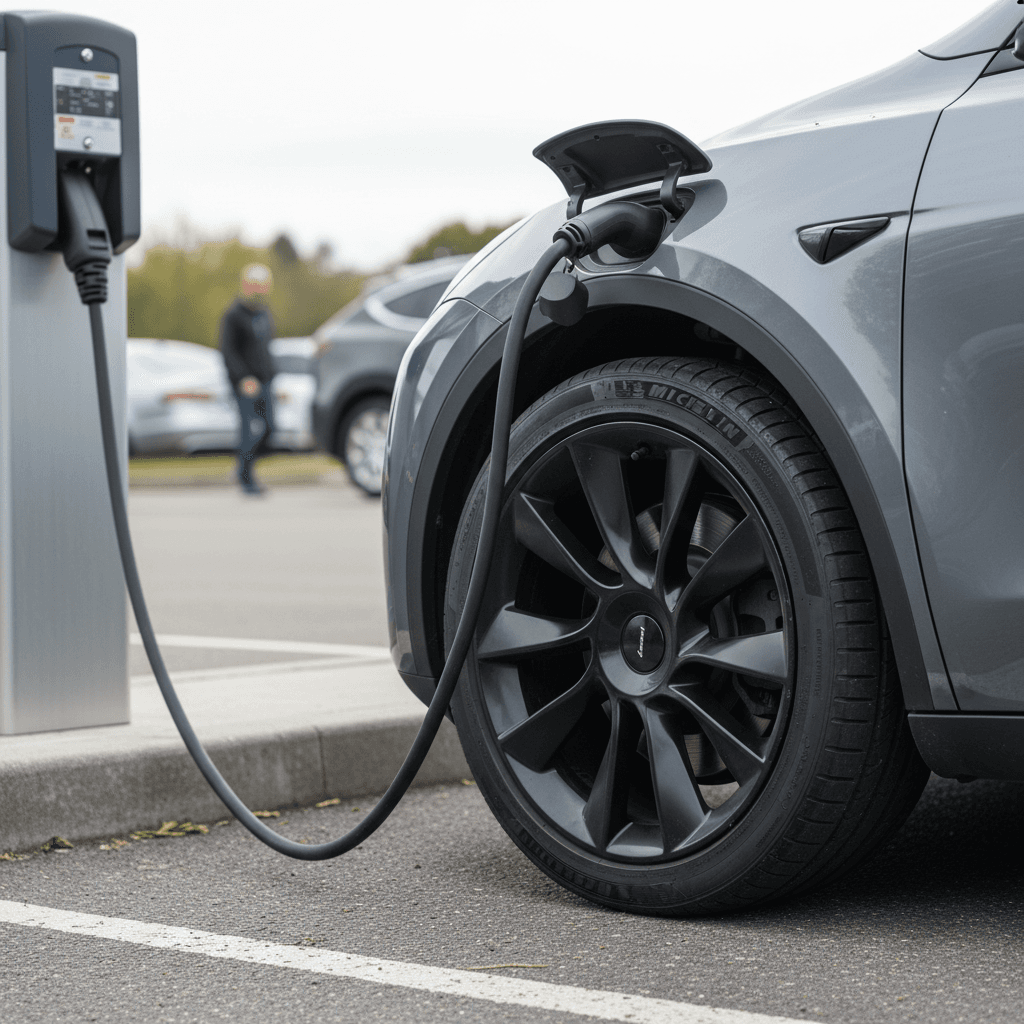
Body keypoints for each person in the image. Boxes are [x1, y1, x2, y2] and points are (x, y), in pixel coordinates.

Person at [219, 263, 276, 495]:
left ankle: (244, 467)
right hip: (245, 384)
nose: (259, 289)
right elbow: (228, 351)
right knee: (248, 431)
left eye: (263, 285)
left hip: (265, 381)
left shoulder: (264, 314)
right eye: (255, 284)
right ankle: (246, 478)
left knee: (271, 428)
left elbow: (265, 349)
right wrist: (243, 378)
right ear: (246, 284)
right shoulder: (233, 315)